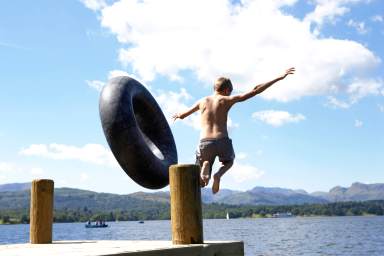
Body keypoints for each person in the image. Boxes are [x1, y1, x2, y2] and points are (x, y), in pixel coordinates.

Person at [173, 67, 295, 194]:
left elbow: (183, 115)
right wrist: (279, 77)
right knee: (229, 162)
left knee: (201, 183)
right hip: (222, 140)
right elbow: (256, 90)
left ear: (215, 88)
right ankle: (218, 175)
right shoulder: (227, 99)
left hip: (205, 142)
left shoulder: (202, 101)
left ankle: (205, 168)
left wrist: (179, 115)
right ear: (227, 90)